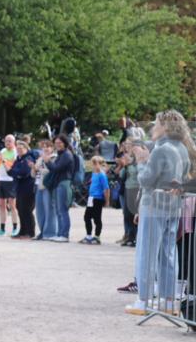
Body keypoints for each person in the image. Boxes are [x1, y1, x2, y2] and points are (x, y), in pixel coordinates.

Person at [125, 110, 195, 315]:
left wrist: (141, 161)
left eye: (156, 124)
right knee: (168, 252)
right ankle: (167, 299)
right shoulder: (182, 147)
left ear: (165, 126)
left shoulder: (160, 149)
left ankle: (143, 300)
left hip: (154, 204)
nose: (153, 127)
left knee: (147, 252)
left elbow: (146, 180)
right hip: (173, 205)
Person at [44, 135, 75, 242]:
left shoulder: (66, 155)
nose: (57, 145)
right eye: (56, 143)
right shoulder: (61, 154)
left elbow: (56, 169)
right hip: (58, 184)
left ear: (65, 143)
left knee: (63, 210)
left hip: (64, 184)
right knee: (58, 210)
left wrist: (48, 162)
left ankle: (64, 235)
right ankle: (60, 233)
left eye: (60, 143)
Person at [8, 141, 36, 240]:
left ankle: (30, 232)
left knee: (27, 210)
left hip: (28, 187)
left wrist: (14, 172)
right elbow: (11, 172)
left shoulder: (28, 158)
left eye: (21, 148)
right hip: (20, 187)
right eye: (18, 149)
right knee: (20, 209)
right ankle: (22, 231)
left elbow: (24, 172)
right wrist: (15, 172)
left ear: (26, 149)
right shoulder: (18, 159)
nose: (19, 150)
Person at [80, 155, 111, 245]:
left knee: (97, 218)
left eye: (95, 164)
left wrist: (107, 200)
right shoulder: (94, 174)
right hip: (91, 198)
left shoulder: (102, 175)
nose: (94, 166)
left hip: (97, 199)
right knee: (87, 217)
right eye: (93, 164)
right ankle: (88, 235)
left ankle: (97, 236)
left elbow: (106, 189)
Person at [0, 134, 18, 237]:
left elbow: (12, 165)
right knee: (1, 204)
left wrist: (4, 161)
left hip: (10, 180)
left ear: (14, 142)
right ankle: (2, 229)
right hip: (1, 179)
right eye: (6, 141)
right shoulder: (2, 151)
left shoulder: (15, 152)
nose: (7, 143)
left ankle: (15, 228)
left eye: (10, 141)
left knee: (12, 204)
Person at [32, 140, 56, 240]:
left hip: (47, 187)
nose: (45, 148)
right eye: (43, 146)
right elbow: (33, 175)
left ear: (52, 148)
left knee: (49, 210)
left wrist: (40, 170)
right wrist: (33, 168)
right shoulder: (40, 159)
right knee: (40, 211)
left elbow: (53, 171)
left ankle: (49, 233)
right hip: (38, 186)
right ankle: (42, 231)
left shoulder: (54, 158)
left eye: (48, 146)